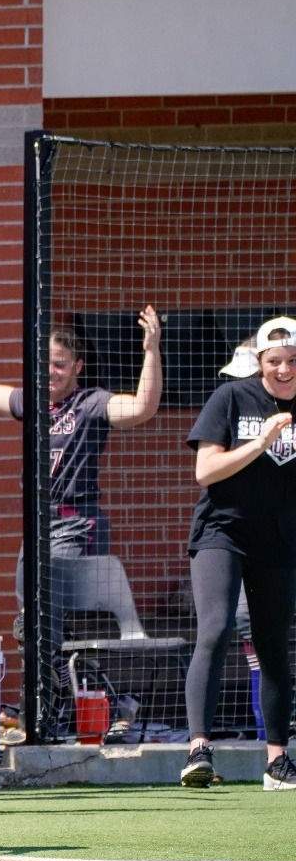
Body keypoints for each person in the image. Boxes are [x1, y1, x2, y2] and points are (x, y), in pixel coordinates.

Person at [179, 316, 296, 791]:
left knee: (274, 646)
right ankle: (198, 750)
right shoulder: (232, 397)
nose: (284, 369)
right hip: (221, 535)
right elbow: (205, 471)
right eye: (275, 361)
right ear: (259, 362)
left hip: (281, 542)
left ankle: (278, 762)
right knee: (216, 628)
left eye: (292, 361)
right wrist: (262, 441)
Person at [0, 307, 163, 559]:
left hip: (77, 524)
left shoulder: (91, 403)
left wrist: (151, 349)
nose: (51, 371)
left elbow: (143, 408)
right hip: (37, 525)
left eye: (60, 365)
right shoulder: (33, 401)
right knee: (27, 598)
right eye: (46, 363)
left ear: (77, 367)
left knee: (63, 597)